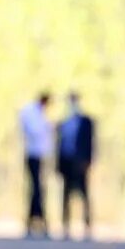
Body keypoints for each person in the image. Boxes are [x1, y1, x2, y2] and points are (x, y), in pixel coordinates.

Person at [56, 90, 96, 240]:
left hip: (80, 163)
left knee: (84, 195)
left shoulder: (85, 121)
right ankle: (65, 225)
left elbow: (90, 143)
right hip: (66, 163)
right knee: (65, 196)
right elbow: (59, 145)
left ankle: (87, 225)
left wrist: (88, 160)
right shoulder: (63, 122)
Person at [18, 91, 55, 238]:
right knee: (36, 189)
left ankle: (35, 219)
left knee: (38, 189)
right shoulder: (30, 112)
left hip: (41, 155)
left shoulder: (40, 114)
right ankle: (37, 219)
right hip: (33, 154)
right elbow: (34, 132)